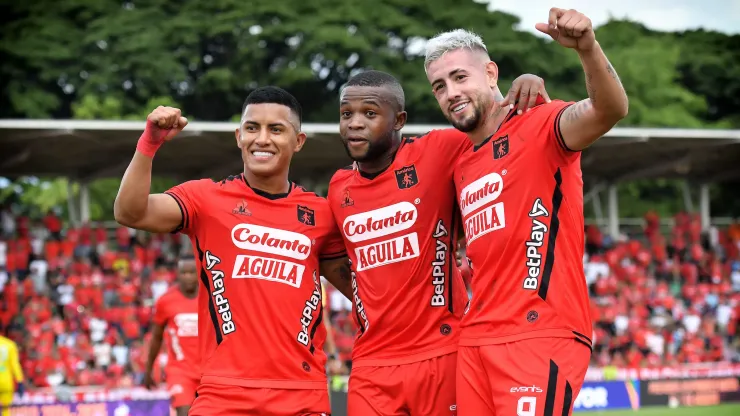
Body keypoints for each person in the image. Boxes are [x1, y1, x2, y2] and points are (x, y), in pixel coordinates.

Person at [423, 8, 628, 416]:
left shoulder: (540, 124)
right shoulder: (459, 160)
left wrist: (587, 48)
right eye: (439, 87)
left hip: (539, 332)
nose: (451, 93)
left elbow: (610, 110)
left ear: (491, 73)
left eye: (460, 77)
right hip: (475, 341)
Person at [114, 86, 353, 415]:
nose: (262, 139)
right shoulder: (205, 200)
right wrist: (149, 143)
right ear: (239, 136)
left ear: (298, 141)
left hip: (302, 395)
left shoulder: (322, 214)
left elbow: (364, 293)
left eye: (276, 129)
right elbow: (130, 212)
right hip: (223, 395)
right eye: (253, 128)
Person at [328, 70, 551, 415]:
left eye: (369, 114)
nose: (355, 123)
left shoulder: (439, 149)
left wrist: (527, 84)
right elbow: (333, 259)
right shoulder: (338, 188)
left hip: (442, 351)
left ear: (399, 120)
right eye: (347, 114)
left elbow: (493, 128)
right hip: (372, 362)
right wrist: (373, 296)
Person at [143, 256, 199, 416]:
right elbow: (156, 338)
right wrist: (148, 370)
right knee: (184, 412)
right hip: (180, 371)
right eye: (183, 273)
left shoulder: (212, 297)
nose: (187, 277)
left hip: (208, 370)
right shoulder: (166, 301)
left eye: (192, 272)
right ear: (177, 274)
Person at [0, 334, 24, 416]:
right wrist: (20, 381)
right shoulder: (9, 344)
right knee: (6, 409)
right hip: (6, 382)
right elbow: (15, 365)